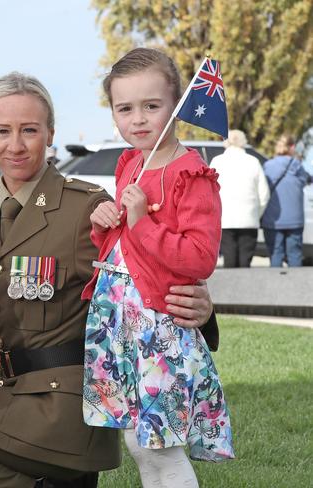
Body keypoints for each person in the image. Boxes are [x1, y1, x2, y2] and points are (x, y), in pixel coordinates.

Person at [0, 71, 220, 488]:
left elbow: (146, 274)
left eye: (29, 130)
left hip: (71, 403)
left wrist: (203, 311)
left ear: (50, 134)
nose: (16, 145)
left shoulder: (87, 210)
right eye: (2, 131)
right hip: (4, 392)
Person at [82, 47, 234, 488]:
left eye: (152, 106)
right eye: (124, 108)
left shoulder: (191, 173)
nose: (139, 119)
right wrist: (103, 224)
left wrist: (142, 222)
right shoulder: (130, 163)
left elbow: (200, 257)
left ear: (176, 108)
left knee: (160, 445)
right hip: (119, 322)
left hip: (157, 327)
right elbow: (122, 244)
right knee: (137, 441)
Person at [210, 129, 270, 267]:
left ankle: (232, 287)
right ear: (244, 142)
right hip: (249, 219)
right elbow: (264, 194)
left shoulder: (217, 161)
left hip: (225, 219)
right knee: (245, 262)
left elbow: (210, 192)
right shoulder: (253, 161)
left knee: (229, 260)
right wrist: (256, 213)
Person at [261, 134, 312, 267]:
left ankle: (275, 285)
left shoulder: (267, 166)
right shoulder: (297, 166)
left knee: (276, 254)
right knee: (294, 255)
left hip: (273, 220)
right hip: (295, 220)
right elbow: (305, 180)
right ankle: (295, 286)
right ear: (292, 147)